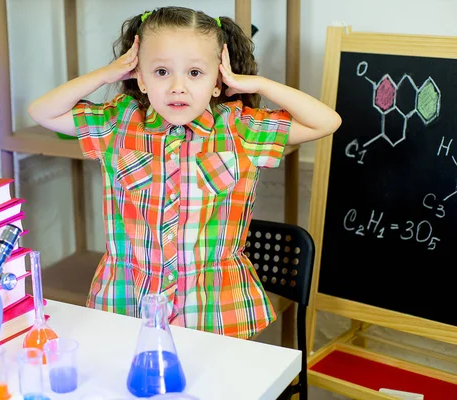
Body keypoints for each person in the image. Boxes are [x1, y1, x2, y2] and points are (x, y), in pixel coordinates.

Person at [28, 6, 341, 339]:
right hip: (128, 303)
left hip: (216, 309)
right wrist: (107, 74)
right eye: (161, 72)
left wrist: (255, 83)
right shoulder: (116, 124)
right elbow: (42, 111)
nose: (178, 87)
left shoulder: (241, 129)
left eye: (195, 73)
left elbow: (326, 121)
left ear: (217, 82)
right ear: (141, 79)